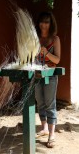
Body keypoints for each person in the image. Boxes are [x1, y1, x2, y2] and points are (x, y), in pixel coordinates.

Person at [35, 11, 61, 148]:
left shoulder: (55, 39)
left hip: (50, 75)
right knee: (40, 102)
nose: (43, 25)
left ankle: (52, 134)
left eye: (46, 22)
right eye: (41, 21)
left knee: (50, 104)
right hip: (37, 74)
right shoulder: (35, 38)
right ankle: (44, 128)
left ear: (51, 24)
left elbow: (57, 60)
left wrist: (46, 53)